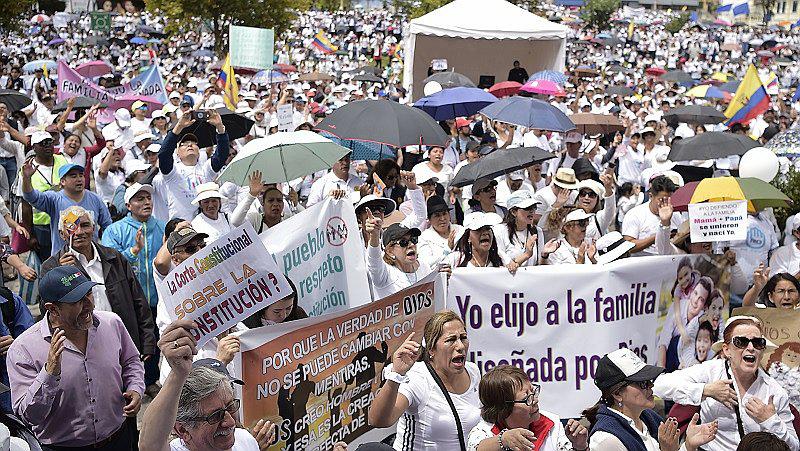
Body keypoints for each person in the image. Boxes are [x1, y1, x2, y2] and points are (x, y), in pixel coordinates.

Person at [7, 266, 144, 450]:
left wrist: (135, 388)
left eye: (89, 294)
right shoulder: (23, 350)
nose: (89, 305)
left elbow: (131, 361)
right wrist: (49, 374)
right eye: (77, 301)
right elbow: (29, 416)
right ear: (53, 309)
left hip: (119, 439)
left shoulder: (111, 323)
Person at [653, 316, 799, 451]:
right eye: (741, 342)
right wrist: (705, 390)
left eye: (757, 342)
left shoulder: (774, 391)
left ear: (762, 350)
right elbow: (659, 385)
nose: (750, 348)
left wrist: (771, 421)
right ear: (726, 350)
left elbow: (794, 446)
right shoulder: (711, 371)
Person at [139, 320, 277, 451]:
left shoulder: (245, 440)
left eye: (231, 406)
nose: (230, 422)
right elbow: (150, 445)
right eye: (215, 416)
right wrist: (177, 373)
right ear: (183, 430)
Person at [41, 204, 156, 361]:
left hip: (123, 341)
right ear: (62, 234)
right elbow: (47, 312)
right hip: (82, 348)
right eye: (72, 227)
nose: (79, 232)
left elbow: (138, 300)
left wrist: (148, 341)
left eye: (85, 225)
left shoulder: (114, 258)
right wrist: (60, 278)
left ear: (93, 228)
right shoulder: (52, 267)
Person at [369, 311, 481, 451]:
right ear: (431, 349)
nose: (460, 346)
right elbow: (378, 420)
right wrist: (396, 375)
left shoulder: (473, 371)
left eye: (463, 337)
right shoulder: (416, 378)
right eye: (451, 340)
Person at [101, 183, 167, 396]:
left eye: (148, 198)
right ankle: (125, 381)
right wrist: (133, 250)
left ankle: (149, 380)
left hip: (158, 298)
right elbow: (108, 261)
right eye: (140, 199)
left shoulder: (162, 228)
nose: (146, 202)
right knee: (128, 341)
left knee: (154, 341)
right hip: (130, 300)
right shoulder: (115, 230)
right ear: (128, 205)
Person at [584, 348, 718, 451]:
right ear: (617, 393)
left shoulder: (649, 418)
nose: (651, 385)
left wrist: (688, 445)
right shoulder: (607, 440)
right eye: (642, 383)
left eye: (649, 380)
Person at [467, 364, 589, 451]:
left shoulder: (552, 424)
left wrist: (580, 447)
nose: (535, 400)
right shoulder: (484, 431)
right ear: (503, 408)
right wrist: (503, 440)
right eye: (527, 397)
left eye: (533, 391)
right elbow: (476, 447)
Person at [21, 160, 112, 257]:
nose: (79, 179)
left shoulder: (95, 199)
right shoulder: (54, 199)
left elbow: (108, 226)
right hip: (63, 259)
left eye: (81, 175)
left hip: (90, 258)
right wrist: (26, 178)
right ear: (63, 181)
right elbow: (31, 197)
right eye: (73, 176)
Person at [157, 110, 230, 221]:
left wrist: (219, 127)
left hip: (207, 225)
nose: (190, 144)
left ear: (199, 151)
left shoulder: (206, 169)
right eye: (184, 144)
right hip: (183, 227)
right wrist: (179, 126)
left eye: (194, 143)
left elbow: (222, 154)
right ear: (177, 152)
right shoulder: (172, 172)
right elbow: (164, 154)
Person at [18, 131, 69, 262]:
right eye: (42, 143)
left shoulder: (63, 160)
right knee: (50, 263)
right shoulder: (26, 169)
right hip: (42, 226)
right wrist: (31, 235)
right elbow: (25, 205)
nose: (47, 146)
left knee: (69, 260)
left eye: (49, 142)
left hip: (66, 220)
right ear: (33, 147)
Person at [365, 211, 432, 298]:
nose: (411, 245)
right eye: (403, 242)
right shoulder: (384, 274)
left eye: (414, 239)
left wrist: (444, 278)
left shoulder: (424, 267)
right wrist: (374, 235)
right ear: (389, 251)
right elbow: (373, 260)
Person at [494, 190, 558, 269]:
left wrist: (544, 255)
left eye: (534, 207)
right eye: (527, 208)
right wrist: (527, 254)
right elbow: (506, 266)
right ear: (513, 212)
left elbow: (540, 267)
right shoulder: (499, 230)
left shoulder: (537, 231)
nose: (532, 211)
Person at [621, 175, 682, 256]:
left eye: (669, 200)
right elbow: (629, 246)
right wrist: (658, 237)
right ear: (651, 196)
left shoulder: (675, 214)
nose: (666, 204)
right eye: (662, 200)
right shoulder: (635, 214)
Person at [417, 195, 463, 268]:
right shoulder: (424, 238)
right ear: (429, 219)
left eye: (444, 214)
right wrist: (447, 250)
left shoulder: (460, 230)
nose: (442, 218)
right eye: (437, 215)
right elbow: (426, 263)